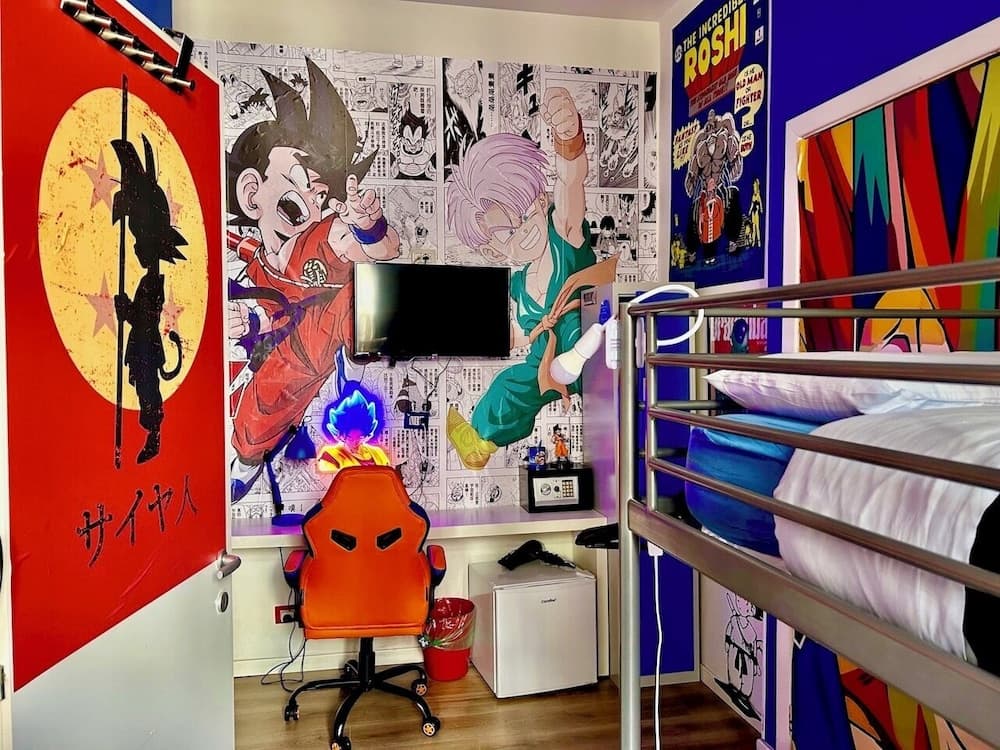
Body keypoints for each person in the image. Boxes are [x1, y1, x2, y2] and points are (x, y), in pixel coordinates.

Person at [226, 58, 400, 501]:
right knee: (252, 425)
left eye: (320, 193)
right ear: (251, 194)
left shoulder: (326, 235)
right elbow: (256, 311)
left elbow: (383, 250)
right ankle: (248, 459)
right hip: (280, 366)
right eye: (298, 185)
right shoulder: (253, 261)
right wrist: (242, 322)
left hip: (323, 341)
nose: (311, 200)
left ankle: (351, 364)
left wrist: (370, 226)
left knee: (358, 295)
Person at [444, 87, 618, 470]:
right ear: (494, 250)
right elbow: (524, 333)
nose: (523, 231)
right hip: (542, 366)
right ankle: (480, 443)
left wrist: (568, 140)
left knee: (575, 353)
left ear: (540, 201)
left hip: (590, 353)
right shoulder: (519, 285)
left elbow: (570, 187)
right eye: (506, 231)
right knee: (506, 388)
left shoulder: (564, 239)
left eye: (525, 213)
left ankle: (573, 361)